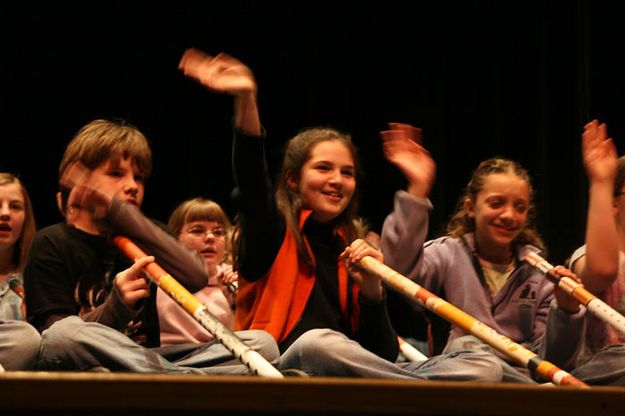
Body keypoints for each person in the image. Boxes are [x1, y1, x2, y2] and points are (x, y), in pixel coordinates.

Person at [178, 48, 503, 381]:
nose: (337, 180)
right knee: (320, 343)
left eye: (347, 173)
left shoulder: (352, 248)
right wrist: (246, 98)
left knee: (480, 359)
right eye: (323, 168)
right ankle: (419, 392)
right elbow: (251, 179)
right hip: (285, 369)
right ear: (292, 180)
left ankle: (414, 389)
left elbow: (382, 355)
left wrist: (373, 291)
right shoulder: (271, 231)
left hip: (353, 373)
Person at [24, 119, 278, 374]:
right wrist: (117, 306)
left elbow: (195, 275)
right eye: (116, 174)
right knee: (64, 335)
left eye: (139, 177)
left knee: (262, 344)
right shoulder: (51, 241)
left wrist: (119, 214)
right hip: (89, 360)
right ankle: (189, 380)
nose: (133, 185)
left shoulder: (144, 232)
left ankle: (172, 379)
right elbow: (54, 339)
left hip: (146, 360)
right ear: (82, 178)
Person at [379, 123, 585, 382]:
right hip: (465, 368)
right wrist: (418, 187)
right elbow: (395, 272)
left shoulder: (539, 271)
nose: (509, 215)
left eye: (519, 207)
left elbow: (554, 364)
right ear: (471, 208)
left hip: (519, 379)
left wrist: (566, 312)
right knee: (478, 357)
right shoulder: (448, 253)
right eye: (496, 203)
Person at [567, 119, 625, 385]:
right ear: (613, 203)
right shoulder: (586, 256)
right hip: (599, 373)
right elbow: (602, 271)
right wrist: (601, 182)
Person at [157, 197, 238, 346]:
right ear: (174, 238)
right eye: (197, 230)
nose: (210, 237)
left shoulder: (233, 278)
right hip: (175, 360)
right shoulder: (159, 274)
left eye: (218, 232)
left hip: (226, 359)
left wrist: (240, 296)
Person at [0, 173, 41, 371]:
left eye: (15, 206)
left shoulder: (35, 278)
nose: (5, 213)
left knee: (27, 339)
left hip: (18, 383)